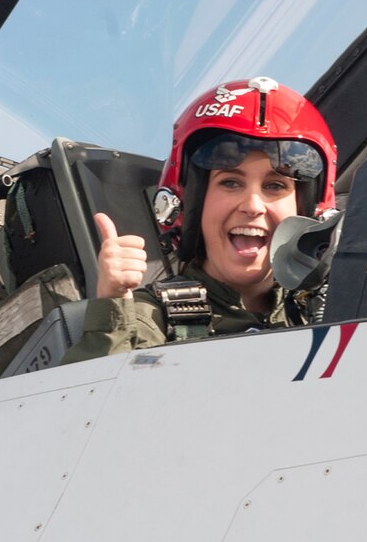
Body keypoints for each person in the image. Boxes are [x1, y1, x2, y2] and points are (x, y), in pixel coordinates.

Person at [63, 77, 338, 362]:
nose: (253, 205)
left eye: (275, 186)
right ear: (192, 203)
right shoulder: (149, 323)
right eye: (230, 183)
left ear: (308, 212)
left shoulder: (333, 311)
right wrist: (114, 313)